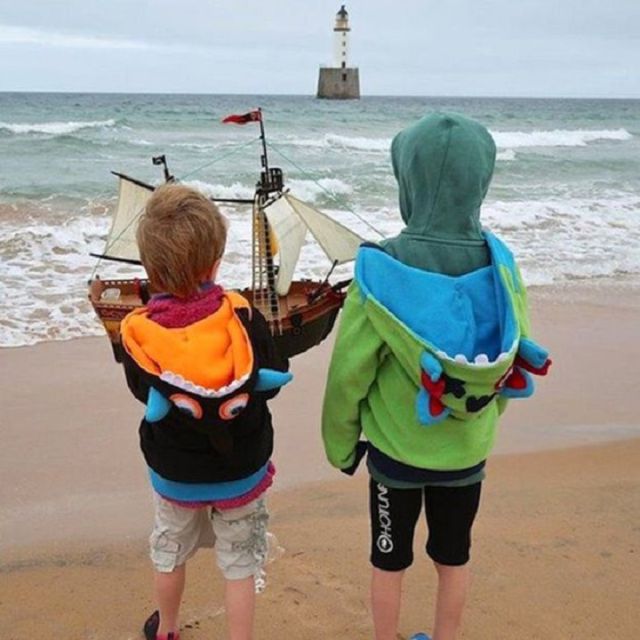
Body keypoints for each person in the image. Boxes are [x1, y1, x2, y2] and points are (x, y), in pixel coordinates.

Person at [321, 113, 551, 640]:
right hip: (466, 453)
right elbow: (511, 356)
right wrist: (482, 417)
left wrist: (341, 446)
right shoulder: (501, 266)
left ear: (409, 183)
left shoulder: (381, 271)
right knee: (454, 557)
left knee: (388, 560)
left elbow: (348, 374)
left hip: (394, 453)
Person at [120, 184, 290, 640]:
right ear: (214, 264)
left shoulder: (139, 333)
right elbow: (272, 381)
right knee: (239, 563)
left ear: (149, 268)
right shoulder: (243, 318)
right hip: (242, 470)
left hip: (175, 472)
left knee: (169, 550)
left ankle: (167, 629)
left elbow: (141, 391)